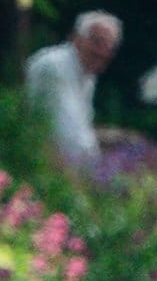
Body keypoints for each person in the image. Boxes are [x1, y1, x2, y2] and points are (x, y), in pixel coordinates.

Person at [25, 10, 121, 169]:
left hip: (74, 171)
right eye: (97, 41)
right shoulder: (54, 66)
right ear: (78, 38)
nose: (103, 50)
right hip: (50, 169)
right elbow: (60, 133)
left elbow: (80, 131)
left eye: (109, 47)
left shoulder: (87, 76)